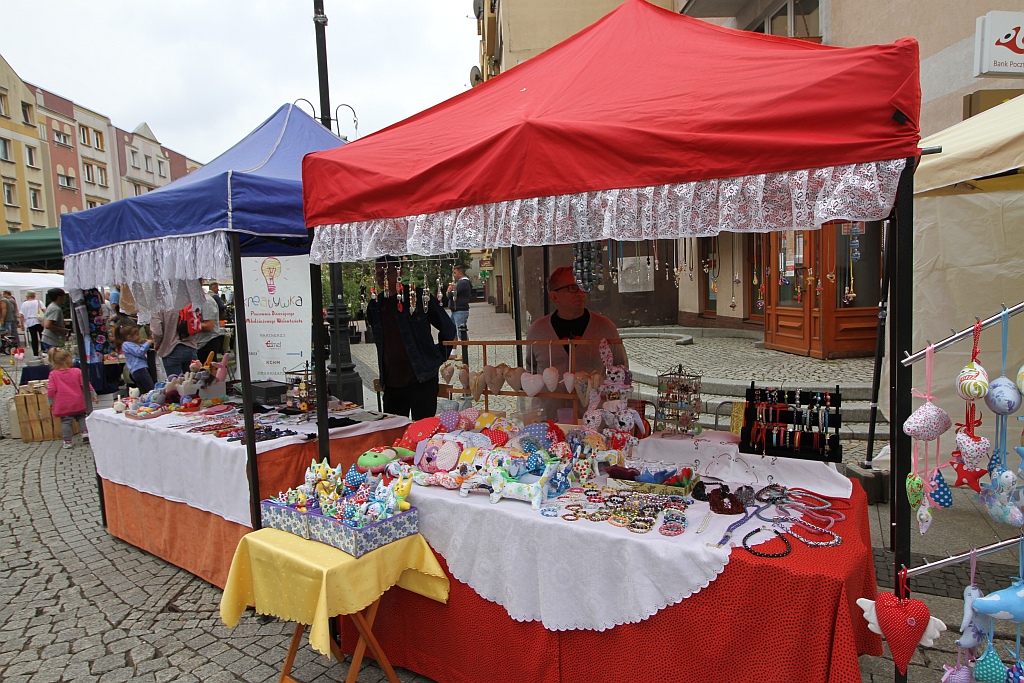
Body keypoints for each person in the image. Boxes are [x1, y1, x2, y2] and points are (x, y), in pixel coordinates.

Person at [526, 266, 628, 421]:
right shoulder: (537, 331)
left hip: (594, 422)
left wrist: (615, 410)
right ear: (554, 296)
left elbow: (621, 370)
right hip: (549, 422)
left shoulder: (605, 328)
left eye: (583, 286)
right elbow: (531, 369)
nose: (580, 293)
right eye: (572, 288)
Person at [367, 255, 457, 420]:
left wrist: (438, 356)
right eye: (377, 273)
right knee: (394, 430)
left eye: (385, 272)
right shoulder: (375, 305)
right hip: (392, 384)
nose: (380, 277)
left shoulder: (418, 296)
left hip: (422, 379)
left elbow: (448, 327)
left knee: (423, 429)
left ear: (399, 272)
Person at [46, 348, 97, 449]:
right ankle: (85, 433)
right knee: (81, 417)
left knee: (66, 422)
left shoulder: (53, 374)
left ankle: (67, 441)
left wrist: (50, 401)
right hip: (78, 401)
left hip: (63, 403)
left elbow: (51, 389)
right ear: (68, 360)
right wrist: (93, 393)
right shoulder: (77, 371)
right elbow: (85, 384)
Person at [150, 306, 198, 377]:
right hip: (190, 347)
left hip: (170, 349)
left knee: (174, 381)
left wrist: (157, 343)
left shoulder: (158, 306)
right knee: (194, 380)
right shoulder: (186, 302)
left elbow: (157, 332)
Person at [112, 321, 155, 393]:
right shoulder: (126, 344)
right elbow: (139, 352)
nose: (139, 336)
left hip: (139, 369)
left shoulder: (133, 344)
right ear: (129, 337)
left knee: (144, 391)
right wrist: (148, 343)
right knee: (151, 389)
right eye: (137, 335)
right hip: (139, 369)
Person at [193, 287, 224, 364]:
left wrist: (190, 325)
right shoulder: (197, 301)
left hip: (206, 343)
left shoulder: (206, 301)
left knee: (206, 370)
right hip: (199, 344)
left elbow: (209, 326)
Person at [446, 265, 472, 340]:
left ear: (460, 273)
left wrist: (449, 291)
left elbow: (451, 295)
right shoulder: (461, 283)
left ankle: (465, 347)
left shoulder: (463, 283)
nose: (454, 275)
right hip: (456, 310)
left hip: (460, 311)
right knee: (453, 332)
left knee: (461, 332)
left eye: (455, 273)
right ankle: (453, 347)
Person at [41, 288, 71, 352]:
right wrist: (62, 330)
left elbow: (43, 323)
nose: (65, 297)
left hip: (47, 339)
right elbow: (48, 325)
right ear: (59, 297)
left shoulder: (50, 306)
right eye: (64, 296)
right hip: (52, 341)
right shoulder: (55, 309)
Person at [19, 290, 43, 356]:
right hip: (39, 321)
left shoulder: (24, 304)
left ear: (27, 296)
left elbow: (21, 315)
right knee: (42, 337)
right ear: (34, 295)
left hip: (29, 322)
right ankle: (43, 351)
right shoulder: (39, 302)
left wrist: (22, 325)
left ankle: (35, 353)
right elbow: (44, 310)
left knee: (33, 338)